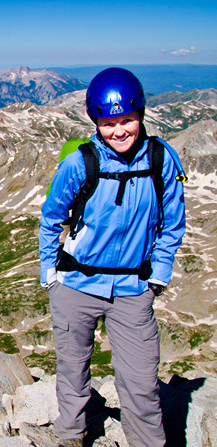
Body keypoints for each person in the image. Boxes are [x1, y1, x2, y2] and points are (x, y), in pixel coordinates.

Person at [39, 67, 186, 447]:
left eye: (127, 120)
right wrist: (49, 272)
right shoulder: (80, 163)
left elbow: (173, 223)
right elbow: (52, 217)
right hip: (76, 285)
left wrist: (159, 274)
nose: (119, 130)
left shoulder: (161, 159)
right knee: (73, 372)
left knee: (140, 382)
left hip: (134, 289)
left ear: (140, 115)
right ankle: (71, 438)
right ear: (96, 122)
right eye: (109, 123)